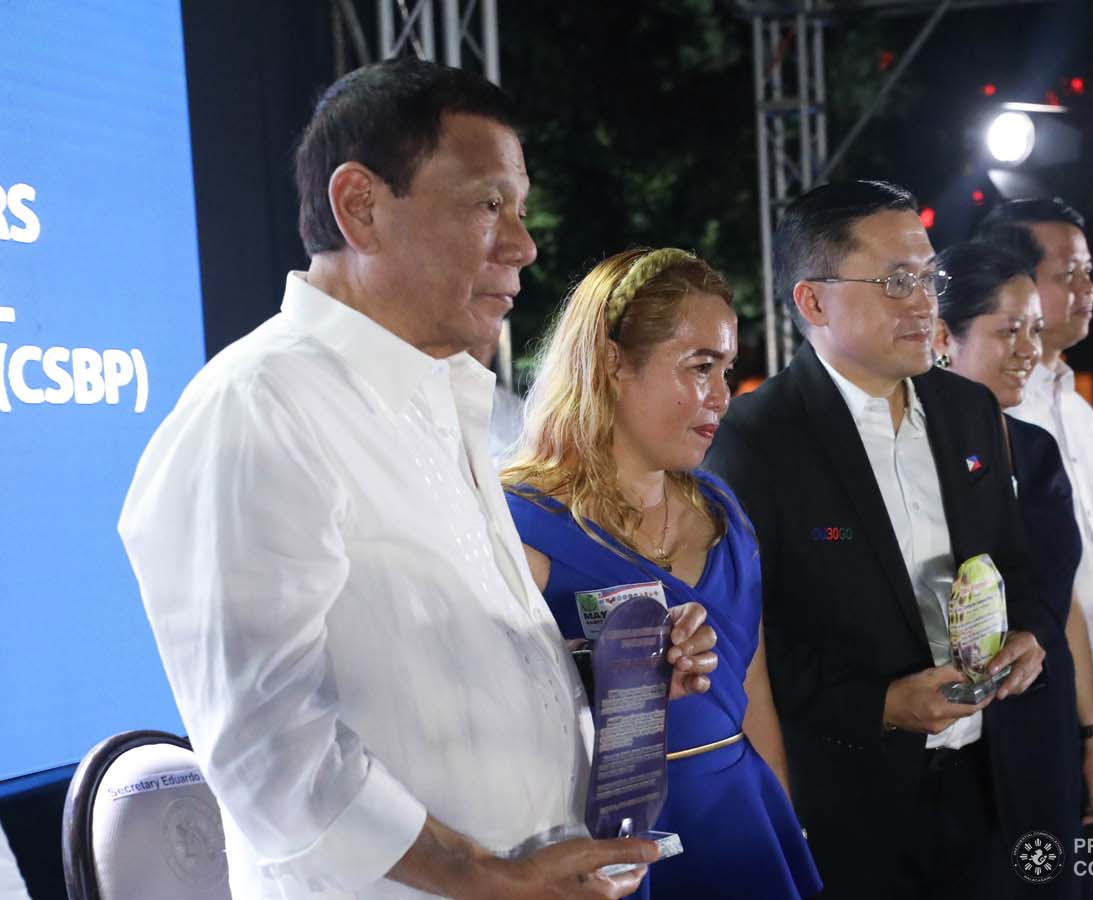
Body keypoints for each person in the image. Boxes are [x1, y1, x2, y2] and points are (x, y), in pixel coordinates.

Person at [119, 58, 719, 900]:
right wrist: (487, 878)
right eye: (486, 204)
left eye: (519, 206)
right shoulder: (256, 410)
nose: (524, 243)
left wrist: (610, 671)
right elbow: (270, 749)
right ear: (360, 206)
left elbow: (430, 669)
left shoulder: (445, 398)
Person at [704, 180, 1051, 899]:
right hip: (851, 801)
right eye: (897, 282)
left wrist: (1027, 631)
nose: (925, 302)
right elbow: (748, 644)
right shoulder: (755, 441)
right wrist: (882, 704)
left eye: (930, 278)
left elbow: (1014, 558)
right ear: (813, 301)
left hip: (987, 781)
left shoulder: (969, 410)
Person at [502, 248, 822, 899]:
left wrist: (784, 817)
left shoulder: (722, 509)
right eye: (700, 366)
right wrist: (607, 673)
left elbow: (751, 686)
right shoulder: (517, 523)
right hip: (602, 845)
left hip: (740, 817)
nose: (723, 397)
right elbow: (492, 726)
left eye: (726, 368)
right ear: (613, 361)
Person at [934, 240, 1093, 897]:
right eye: (1008, 331)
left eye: (1035, 331)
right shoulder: (899, 460)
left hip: (1038, 731)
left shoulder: (1036, 451)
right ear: (943, 337)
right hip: (941, 743)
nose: (1028, 349)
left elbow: (1056, 604)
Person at [978, 199, 1093, 764]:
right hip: (1026, 691)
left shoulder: (1082, 415)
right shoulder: (998, 412)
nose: (1087, 286)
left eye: (1088, 270)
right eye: (1068, 274)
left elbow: (1090, 578)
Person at [467, 337, 526, 463]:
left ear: (493, 345)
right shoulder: (426, 408)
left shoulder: (517, 410)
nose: (471, 351)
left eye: (481, 341)